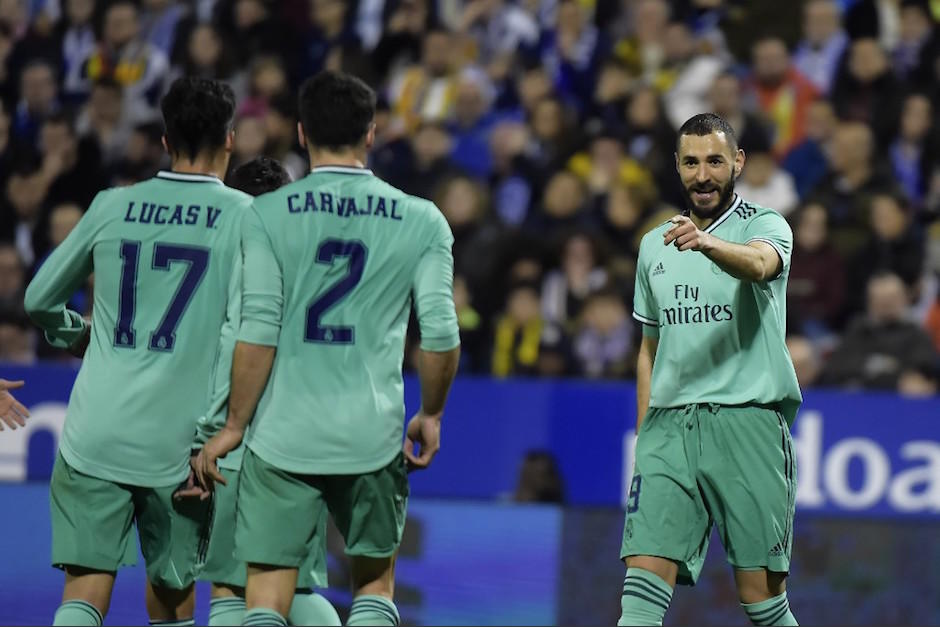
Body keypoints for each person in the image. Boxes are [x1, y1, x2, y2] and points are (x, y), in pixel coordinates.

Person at [196, 70, 461, 627]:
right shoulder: (422, 219)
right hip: (372, 430)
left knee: (265, 590)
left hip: (282, 435)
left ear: (300, 132)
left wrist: (235, 424)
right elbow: (440, 334)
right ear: (371, 134)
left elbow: (258, 328)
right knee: (373, 583)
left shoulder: (266, 214)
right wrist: (431, 413)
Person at [23, 77, 252, 627]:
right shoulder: (247, 216)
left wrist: (77, 333)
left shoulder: (112, 205)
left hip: (94, 433)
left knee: (82, 592)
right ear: (230, 139)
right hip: (181, 447)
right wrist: (215, 437)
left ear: (166, 141)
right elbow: (241, 337)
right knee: (172, 595)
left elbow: (37, 300)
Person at [619, 113, 802, 626]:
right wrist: (645, 436)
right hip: (669, 430)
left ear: (737, 162)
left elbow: (761, 265)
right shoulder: (654, 244)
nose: (704, 175)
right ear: (678, 167)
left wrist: (707, 244)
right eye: (692, 163)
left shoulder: (765, 226)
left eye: (715, 161)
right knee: (637, 600)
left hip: (748, 423)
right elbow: (648, 347)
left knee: (762, 604)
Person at [190, 156, 340, 627]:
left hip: (231, 443)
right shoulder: (314, 266)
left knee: (234, 583)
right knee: (293, 582)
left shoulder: (220, 264)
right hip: (297, 440)